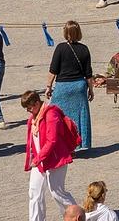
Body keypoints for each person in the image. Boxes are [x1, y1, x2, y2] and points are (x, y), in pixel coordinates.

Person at [22, 89, 80, 221]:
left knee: (57, 192)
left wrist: (38, 158)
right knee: (34, 193)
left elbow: (52, 140)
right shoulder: (34, 118)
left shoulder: (51, 114)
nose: (28, 111)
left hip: (55, 159)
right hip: (40, 160)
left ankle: (76, 216)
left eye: (29, 107)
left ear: (37, 103)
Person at [46, 20, 94, 152]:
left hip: (62, 87)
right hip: (79, 86)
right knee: (79, 117)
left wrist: (48, 87)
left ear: (65, 33)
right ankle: (79, 143)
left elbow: (53, 70)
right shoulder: (84, 49)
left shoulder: (61, 48)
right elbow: (88, 73)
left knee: (58, 117)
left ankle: (59, 143)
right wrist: (91, 90)